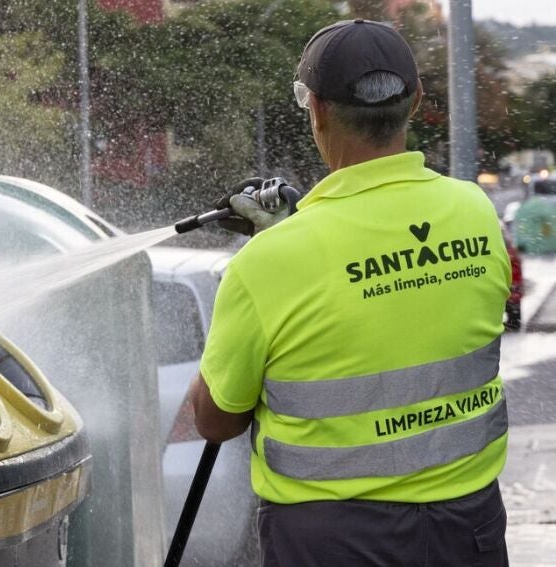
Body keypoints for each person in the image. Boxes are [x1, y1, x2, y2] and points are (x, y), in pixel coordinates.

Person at [189, 19, 512, 566]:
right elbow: (402, 308)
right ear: (416, 102)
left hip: (332, 541)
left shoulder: (268, 263)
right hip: (469, 527)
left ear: (314, 109)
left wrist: (283, 246)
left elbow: (215, 420)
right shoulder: (476, 213)